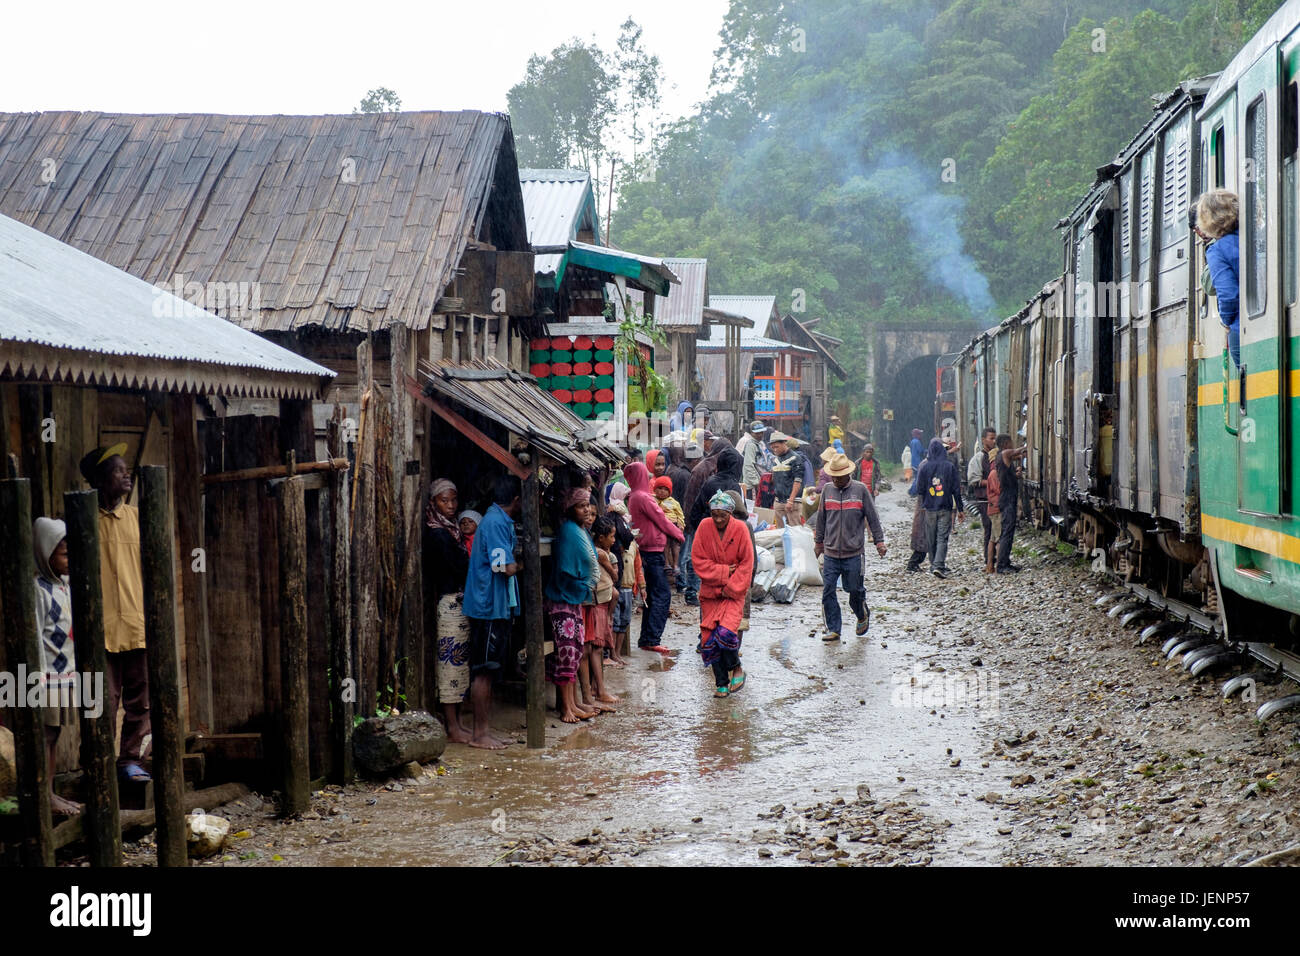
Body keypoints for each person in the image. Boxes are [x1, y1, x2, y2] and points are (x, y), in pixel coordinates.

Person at [80, 444, 150, 784]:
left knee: (141, 701)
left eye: (127, 470)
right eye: (118, 471)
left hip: (137, 625)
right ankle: (97, 764)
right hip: (100, 630)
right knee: (102, 701)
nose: (127, 475)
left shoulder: (138, 518)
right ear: (99, 480)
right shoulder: (81, 520)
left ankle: (129, 761)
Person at [461, 473, 522, 748]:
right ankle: (479, 733)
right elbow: (502, 567)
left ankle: (482, 731)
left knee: (489, 668)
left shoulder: (496, 519)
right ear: (517, 500)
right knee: (483, 669)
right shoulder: (496, 522)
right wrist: (519, 565)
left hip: (494, 604)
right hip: (488, 606)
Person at [33, 517, 82, 816]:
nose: (69, 560)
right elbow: (34, 634)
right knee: (45, 735)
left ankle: (50, 793)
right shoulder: (38, 590)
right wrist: (36, 676)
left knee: (55, 733)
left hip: (65, 673)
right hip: (46, 676)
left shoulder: (65, 585)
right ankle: (44, 795)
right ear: (45, 553)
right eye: (64, 555)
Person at [813, 453, 887, 642]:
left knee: (853, 588)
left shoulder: (860, 490)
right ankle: (833, 628)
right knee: (828, 590)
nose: (836, 480)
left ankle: (861, 613)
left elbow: (872, 517)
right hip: (830, 552)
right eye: (833, 477)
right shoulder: (827, 491)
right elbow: (821, 519)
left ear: (848, 474)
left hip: (854, 553)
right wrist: (818, 543)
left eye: (839, 477)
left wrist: (879, 541)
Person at [691, 490, 754, 698]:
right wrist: (724, 571)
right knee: (709, 639)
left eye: (722, 515)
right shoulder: (704, 527)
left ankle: (736, 667)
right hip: (709, 593)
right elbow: (698, 560)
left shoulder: (742, 529)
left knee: (726, 633)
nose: (718, 519)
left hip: (733, 594)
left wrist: (730, 587)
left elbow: (746, 564)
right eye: (714, 514)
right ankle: (721, 683)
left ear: (731, 513)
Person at [545, 488, 600, 723]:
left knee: (575, 651)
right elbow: (567, 566)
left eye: (588, 505)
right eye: (581, 506)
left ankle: (574, 703)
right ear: (571, 509)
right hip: (563, 598)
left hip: (575, 598)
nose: (586, 510)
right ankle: (566, 708)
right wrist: (582, 581)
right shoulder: (568, 532)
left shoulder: (580, 530)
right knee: (566, 653)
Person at [424, 480, 473, 743]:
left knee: (460, 665)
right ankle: (452, 727)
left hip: (459, 602)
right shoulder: (437, 534)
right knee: (449, 666)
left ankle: (458, 724)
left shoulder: (451, 530)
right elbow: (455, 568)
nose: (451, 506)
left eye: (454, 500)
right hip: (449, 604)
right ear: (433, 503)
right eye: (445, 501)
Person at [624, 460, 684, 653]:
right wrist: (679, 534)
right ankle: (651, 638)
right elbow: (662, 519)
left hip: (647, 549)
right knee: (662, 595)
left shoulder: (634, 496)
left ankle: (647, 638)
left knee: (652, 594)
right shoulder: (644, 497)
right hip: (652, 551)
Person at [681, 435, 734, 605]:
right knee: (696, 556)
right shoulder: (702, 469)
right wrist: (691, 523)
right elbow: (691, 498)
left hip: (716, 522)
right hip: (702, 520)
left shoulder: (721, 467)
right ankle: (692, 591)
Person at [1196, 189, 1240, 367]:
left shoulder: (1217, 250)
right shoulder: (1258, 237)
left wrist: (1227, 321)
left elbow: (1228, 294)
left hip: (1240, 327)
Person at [581, 515, 620, 714]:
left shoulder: (599, 551)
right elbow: (614, 577)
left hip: (601, 601)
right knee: (595, 648)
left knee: (596, 648)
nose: (614, 540)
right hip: (597, 602)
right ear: (601, 537)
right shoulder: (600, 554)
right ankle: (598, 690)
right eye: (611, 536)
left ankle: (597, 689)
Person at [914, 437, 965, 578]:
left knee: (931, 537)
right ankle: (938, 565)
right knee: (942, 537)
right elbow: (956, 489)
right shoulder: (950, 467)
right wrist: (960, 509)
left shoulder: (924, 467)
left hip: (929, 508)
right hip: (946, 507)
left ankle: (934, 564)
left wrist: (925, 501)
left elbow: (919, 489)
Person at [994, 434, 1029, 574]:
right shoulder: (1005, 452)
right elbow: (1020, 451)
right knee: (1007, 531)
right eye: (1011, 442)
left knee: (1008, 530)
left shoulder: (1000, 456)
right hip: (1007, 497)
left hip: (1008, 496)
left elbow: (1015, 460)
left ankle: (1005, 562)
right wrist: (1029, 445)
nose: (1012, 444)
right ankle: (1002, 565)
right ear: (1005, 443)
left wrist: (1016, 475)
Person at [607, 499, 635, 665]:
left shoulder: (628, 548)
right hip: (617, 588)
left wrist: (641, 585)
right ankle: (612, 654)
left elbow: (637, 567)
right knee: (615, 621)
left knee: (622, 621)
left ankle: (616, 653)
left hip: (627, 587)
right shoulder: (610, 552)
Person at [690, 448, 743, 534]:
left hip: (705, 532)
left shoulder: (709, 482)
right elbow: (741, 515)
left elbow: (696, 512)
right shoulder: (734, 487)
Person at [967, 427, 996, 561]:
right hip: (984, 499)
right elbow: (974, 481)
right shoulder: (978, 459)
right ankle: (988, 558)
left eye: (995, 438)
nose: (994, 441)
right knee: (989, 528)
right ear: (984, 440)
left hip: (996, 498)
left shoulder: (997, 456)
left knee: (997, 529)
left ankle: (996, 557)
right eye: (991, 438)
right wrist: (993, 482)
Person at [653, 475, 685, 587]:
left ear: (670, 492)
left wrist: (681, 525)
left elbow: (680, 514)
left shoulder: (673, 502)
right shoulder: (653, 500)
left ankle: (675, 565)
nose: (662, 492)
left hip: (674, 525)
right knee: (665, 545)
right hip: (663, 527)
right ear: (655, 489)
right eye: (659, 488)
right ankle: (667, 563)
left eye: (665, 489)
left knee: (675, 546)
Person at [768, 431, 804, 528]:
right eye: (773, 447)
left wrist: (791, 501)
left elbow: (798, 481)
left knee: (795, 531)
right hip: (778, 501)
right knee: (780, 532)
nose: (775, 449)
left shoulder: (796, 458)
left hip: (792, 502)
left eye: (777, 447)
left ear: (784, 443)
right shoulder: (775, 460)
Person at [736, 420, 770, 496]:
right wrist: (756, 483)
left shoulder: (761, 443)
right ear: (751, 433)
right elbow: (748, 466)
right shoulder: (751, 445)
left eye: (761, 432)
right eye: (757, 433)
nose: (760, 435)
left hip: (761, 482)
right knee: (753, 507)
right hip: (752, 486)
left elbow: (769, 457)